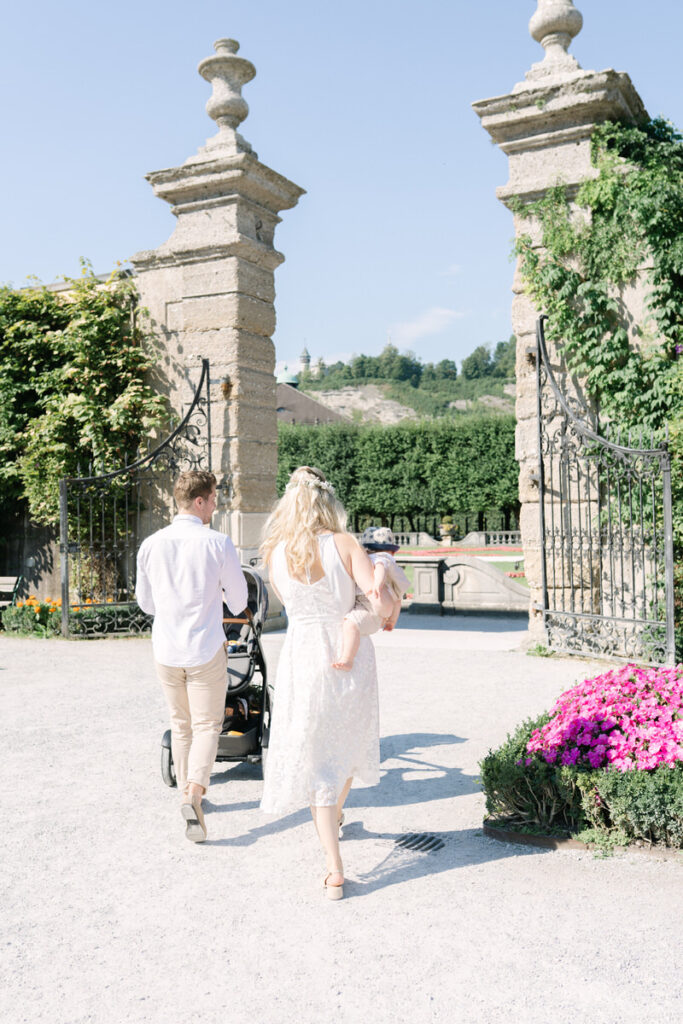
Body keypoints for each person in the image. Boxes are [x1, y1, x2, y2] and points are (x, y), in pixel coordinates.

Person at [259, 466, 385, 900]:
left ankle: (333, 867)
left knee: (318, 759)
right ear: (327, 503)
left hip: (301, 657)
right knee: (344, 750)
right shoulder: (345, 544)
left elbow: (289, 604)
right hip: (345, 655)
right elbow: (375, 599)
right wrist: (386, 580)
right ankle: (335, 833)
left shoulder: (275, 553)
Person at [136, 470, 248, 842]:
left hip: (166, 649)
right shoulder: (218, 543)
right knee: (206, 726)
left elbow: (145, 603)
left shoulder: (151, 544)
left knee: (180, 724)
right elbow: (240, 600)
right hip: (203, 647)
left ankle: (188, 792)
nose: (216, 503)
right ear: (199, 501)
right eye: (214, 497)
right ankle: (195, 793)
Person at [332, 525, 410, 671]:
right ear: (392, 550)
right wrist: (392, 621)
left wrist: (377, 585)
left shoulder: (380, 558)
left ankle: (347, 659)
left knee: (350, 624)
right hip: (371, 608)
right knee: (350, 624)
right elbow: (398, 601)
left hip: (370, 607)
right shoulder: (386, 559)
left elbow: (380, 568)